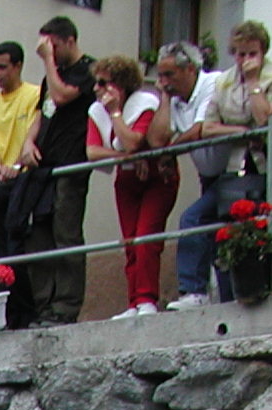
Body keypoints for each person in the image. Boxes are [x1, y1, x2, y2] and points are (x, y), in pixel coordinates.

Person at [15, 17, 97, 326]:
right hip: (42, 170)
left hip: (70, 165)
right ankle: (44, 306)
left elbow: (62, 96)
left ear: (69, 41)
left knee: (66, 236)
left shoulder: (87, 70)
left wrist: (48, 61)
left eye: (53, 45)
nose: (47, 51)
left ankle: (65, 307)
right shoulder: (54, 75)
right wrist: (27, 142)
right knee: (38, 238)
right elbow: (43, 110)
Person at [200, 24, 272, 288]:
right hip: (235, 164)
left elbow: (266, 120)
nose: (245, 60)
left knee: (266, 227)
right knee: (224, 227)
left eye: (252, 53)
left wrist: (253, 83)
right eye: (239, 54)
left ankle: (266, 285)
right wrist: (240, 130)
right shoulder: (223, 80)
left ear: (263, 52)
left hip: (267, 164)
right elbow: (208, 126)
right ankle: (232, 290)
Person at [87, 55, 175, 317]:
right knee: (130, 241)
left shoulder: (144, 103)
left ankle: (147, 298)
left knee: (146, 237)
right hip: (127, 179)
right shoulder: (95, 110)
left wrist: (115, 112)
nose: (96, 89)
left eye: (103, 84)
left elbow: (133, 140)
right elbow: (92, 151)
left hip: (156, 178)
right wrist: (123, 158)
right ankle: (134, 301)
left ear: (120, 86)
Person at [155, 41, 232, 309]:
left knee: (194, 218)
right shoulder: (175, 99)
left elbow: (200, 129)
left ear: (189, 69)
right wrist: (164, 100)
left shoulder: (213, 83)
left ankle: (194, 291)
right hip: (209, 176)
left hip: (234, 170)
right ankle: (222, 297)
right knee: (218, 234)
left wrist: (170, 152)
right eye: (160, 75)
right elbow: (158, 138)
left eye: (169, 75)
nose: (163, 82)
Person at [0, 41, 41, 281]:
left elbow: (31, 134)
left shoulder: (34, 94)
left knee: (19, 244)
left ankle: (25, 307)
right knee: (0, 247)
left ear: (18, 66)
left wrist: (14, 167)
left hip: (24, 179)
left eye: (2, 67)